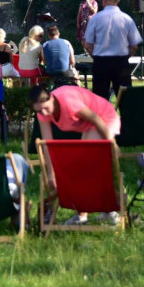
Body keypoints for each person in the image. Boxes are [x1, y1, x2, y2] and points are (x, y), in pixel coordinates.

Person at [30, 84, 120, 225]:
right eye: (40, 111)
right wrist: (51, 173)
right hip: (90, 125)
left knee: (84, 168)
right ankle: (103, 211)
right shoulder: (42, 113)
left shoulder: (67, 101)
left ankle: (102, 210)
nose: (45, 113)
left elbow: (96, 119)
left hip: (104, 118)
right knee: (82, 168)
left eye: (46, 108)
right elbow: (47, 143)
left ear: (52, 98)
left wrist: (112, 144)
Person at [83, 0, 142, 101]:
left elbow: (88, 45)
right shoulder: (127, 19)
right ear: (118, 0)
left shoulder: (95, 19)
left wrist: (96, 57)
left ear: (104, 0)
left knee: (100, 102)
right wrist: (125, 57)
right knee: (126, 101)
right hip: (121, 63)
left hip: (101, 62)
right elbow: (134, 45)